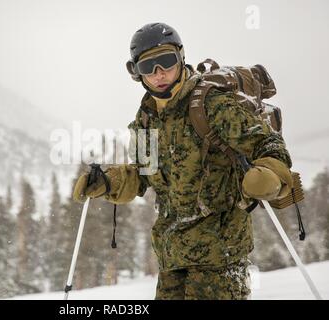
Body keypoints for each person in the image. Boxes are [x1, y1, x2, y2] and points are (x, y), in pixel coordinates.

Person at [73, 22, 293, 300]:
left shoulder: (211, 104)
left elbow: (268, 142)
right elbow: (144, 173)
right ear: (135, 73)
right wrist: (108, 182)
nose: (159, 73)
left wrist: (271, 172)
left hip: (220, 257)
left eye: (166, 61)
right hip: (172, 256)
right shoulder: (145, 118)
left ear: (180, 57)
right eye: (147, 67)